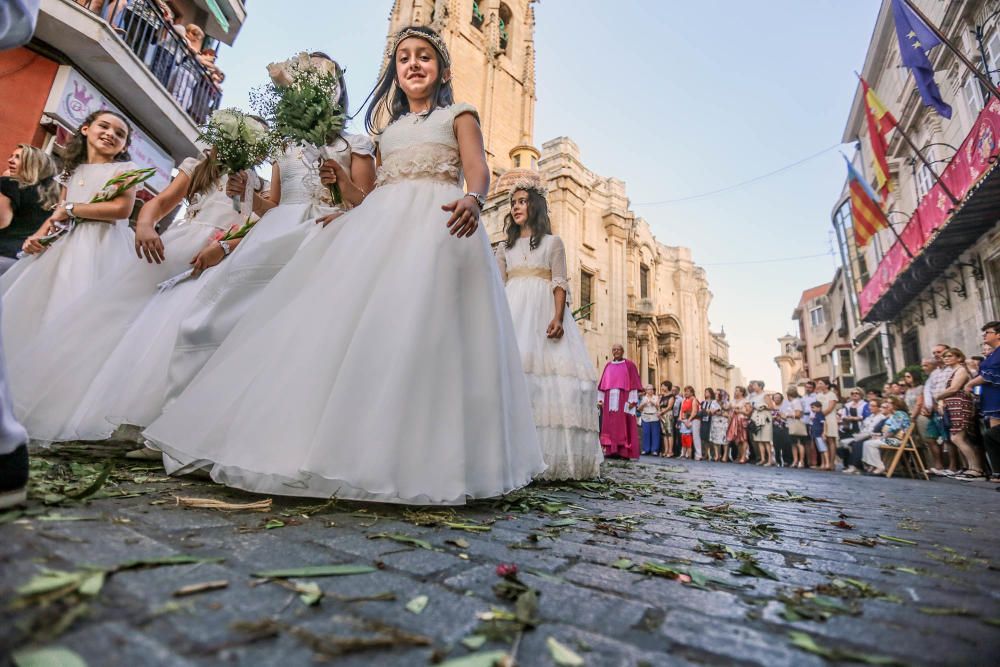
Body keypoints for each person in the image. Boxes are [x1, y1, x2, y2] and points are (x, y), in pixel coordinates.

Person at [144, 26, 545, 503]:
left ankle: (427, 455)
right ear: (394, 73)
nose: (413, 64)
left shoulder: (459, 115)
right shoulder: (386, 133)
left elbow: (477, 168)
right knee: (369, 328)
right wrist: (339, 192)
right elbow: (367, 195)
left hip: (439, 225)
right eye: (403, 58)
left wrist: (474, 200)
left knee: (429, 329)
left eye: (424, 57)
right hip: (383, 226)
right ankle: (339, 444)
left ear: (442, 70)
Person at [162, 52, 375, 409]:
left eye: (324, 81)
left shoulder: (355, 145)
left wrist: (341, 185)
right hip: (276, 234)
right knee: (212, 319)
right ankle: (188, 413)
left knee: (294, 333)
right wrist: (247, 192)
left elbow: (368, 203)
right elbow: (271, 206)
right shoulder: (284, 148)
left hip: (324, 237)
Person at [6, 145, 250, 443]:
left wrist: (228, 240)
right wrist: (145, 226)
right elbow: (159, 202)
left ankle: (154, 420)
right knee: (122, 315)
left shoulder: (259, 185)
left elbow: (256, 221)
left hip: (223, 252)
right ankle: (80, 399)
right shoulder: (198, 169)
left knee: (180, 333)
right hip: (179, 244)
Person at [1, 111, 136, 358]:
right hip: (64, 244)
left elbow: (121, 209)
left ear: (124, 145)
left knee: (76, 304)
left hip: (101, 244)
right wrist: (38, 237)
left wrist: (73, 209)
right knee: (41, 303)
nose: (110, 134)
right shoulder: (69, 172)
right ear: (86, 129)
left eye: (119, 134)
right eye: (103, 126)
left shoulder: (126, 170)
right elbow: (56, 213)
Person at [496, 179, 602, 479]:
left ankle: (545, 458)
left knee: (549, 382)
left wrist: (558, 316)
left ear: (535, 206)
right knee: (514, 375)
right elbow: (498, 285)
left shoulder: (553, 243)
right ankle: (509, 457)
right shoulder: (504, 248)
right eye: (513, 202)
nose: (516, 207)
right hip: (513, 311)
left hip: (544, 312)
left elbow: (559, 282)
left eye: (522, 201)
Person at [0, 144, 60, 273]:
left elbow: (2, 221)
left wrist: (3, 180)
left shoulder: (9, 184)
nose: (10, 160)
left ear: (33, 164)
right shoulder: (53, 197)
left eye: (18, 158)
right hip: (25, 262)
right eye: (11, 156)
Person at [935, 347, 984, 480]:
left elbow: (954, 388)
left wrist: (937, 396)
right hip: (954, 407)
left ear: (959, 358)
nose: (946, 358)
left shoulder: (961, 370)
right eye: (944, 356)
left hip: (961, 406)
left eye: (950, 356)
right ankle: (971, 468)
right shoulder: (955, 371)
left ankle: (977, 469)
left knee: (957, 438)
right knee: (961, 438)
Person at [966, 322, 1000, 483]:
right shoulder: (993, 354)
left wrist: (970, 383)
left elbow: (989, 375)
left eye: (987, 332)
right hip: (991, 401)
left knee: (994, 435)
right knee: (993, 436)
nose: (984, 335)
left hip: (998, 399)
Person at [596, 344, 642, 459]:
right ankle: (610, 450)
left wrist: (633, 400)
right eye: (614, 350)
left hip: (623, 398)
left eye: (618, 349)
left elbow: (633, 383)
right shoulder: (608, 365)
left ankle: (623, 452)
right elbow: (603, 384)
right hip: (609, 399)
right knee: (609, 425)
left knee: (623, 425)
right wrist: (600, 398)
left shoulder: (629, 365)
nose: (615, 351)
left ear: (622, 351)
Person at [861, 398, 912, 475]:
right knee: (868, 442)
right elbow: (887, 431)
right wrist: (879, 436)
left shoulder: (900, 414)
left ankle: (879, 467)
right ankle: (873, 466)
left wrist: (881, 438)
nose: (887, 404)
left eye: (890, 403)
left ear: (896, 405)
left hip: (898, 441)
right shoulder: (894, 415)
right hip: (892, 439)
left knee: (870, 444)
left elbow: (893, 430)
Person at [923, 345, 951, 474]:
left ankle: (953, 467)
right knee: (930, 437)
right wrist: (928, 406)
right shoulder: (934, 372)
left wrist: (941, 402)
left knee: (948, 438)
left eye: (939, 352)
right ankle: (938, 467)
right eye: (934, 352)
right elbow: (929, 391)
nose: (936, 354)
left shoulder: (952, 369)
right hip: (934, 409)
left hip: (948, 407)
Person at [747, 380, 774, 466]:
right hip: (756, 417)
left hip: (765, 417)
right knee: (759, 440)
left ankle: (770, 459)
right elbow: (751, 407)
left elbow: (771, 406)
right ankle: (762, 459)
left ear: (760, 386)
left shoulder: (765, 395)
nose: (753, 387)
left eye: (754, 385)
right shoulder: (753, 397)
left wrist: (763, 407)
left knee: (766, 439)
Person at [815, 379, 839, 470]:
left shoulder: (831, 395)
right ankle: (824, 462)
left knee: (830, 440)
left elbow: (830, 408)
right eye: (818, 383)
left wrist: (820, 415)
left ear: (827, 385)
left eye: (821, 383)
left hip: (830, 419)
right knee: (822, 441)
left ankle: (832, 463)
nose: (819, 384)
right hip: (821, 419)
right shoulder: (819, 395)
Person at [726, 386, 750, 463]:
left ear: (741, 392)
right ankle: (739, 456)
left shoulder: (745, 401)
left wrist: (740, 411)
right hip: (733, 420)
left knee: (743, 438)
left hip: (742, 420)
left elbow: (749, 412)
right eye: (735, 390)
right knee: (737, 439)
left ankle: (744, 456)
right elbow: (727, 408)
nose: (735, 392)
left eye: (737, 391)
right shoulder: (732, 401)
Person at [786, 387, 808, 468]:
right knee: (793, 444)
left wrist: (787, 415)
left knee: (799, 443)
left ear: (789, 395)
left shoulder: (796, 402)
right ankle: (795, 460)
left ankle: (801, 461)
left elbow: (798, 414)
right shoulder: (793, 402)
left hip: (797, 424)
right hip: (791, 425)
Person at [638, 385, 662, 456]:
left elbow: (658, 406)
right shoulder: (643, 398)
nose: (650, 391)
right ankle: (646, 449)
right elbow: (639, 408)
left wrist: (653, 402)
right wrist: (643, 404)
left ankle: (654, 450)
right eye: (648, 389)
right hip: (646, 416)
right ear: (646, 391)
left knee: (655, 434)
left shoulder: (656, 397)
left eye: (651, 389)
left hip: (654, 416)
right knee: (646, 433)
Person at [800, 380, 819, 467]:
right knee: (806, 441)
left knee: (814, 441)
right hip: (805, 420)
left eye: (810, 388)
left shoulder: (816, 397)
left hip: (814, 420)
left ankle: (817, 461)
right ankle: (808, 461)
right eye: (806, 387)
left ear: (813, 388)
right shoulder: (803, 398)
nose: (808, 389)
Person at [677, 386, 698, 459]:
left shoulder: (693, 399)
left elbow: (694, 412)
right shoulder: (683, 400)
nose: (685, 393)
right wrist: (680, 419)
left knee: (688, 438)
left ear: (692, 393)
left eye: (687, 391)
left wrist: (688, 420)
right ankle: (683, 454)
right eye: (685, 391)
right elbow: (681, 410)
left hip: (690, 420)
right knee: (683, 438)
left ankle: (689, 455)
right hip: (683, 420)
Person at [709, 388, 730, 462]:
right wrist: (718, 411)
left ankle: (725, 456)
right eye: (715, 393)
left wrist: (718, 411)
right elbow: (711, 412)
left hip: (723, 422)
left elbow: (727, 413)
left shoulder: (726, 402)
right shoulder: (713, 402)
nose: (716, 395)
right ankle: (717, 455)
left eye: (718, 394)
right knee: (715, 439)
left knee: (724, 440)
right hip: (715, 422)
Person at [699, 388, 719, 462]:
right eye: (705, 392)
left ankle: (713, 454)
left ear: (710, 393)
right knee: (703, 437)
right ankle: (705, 454)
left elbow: (713, 411)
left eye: (707, 392)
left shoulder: (714, 402)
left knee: (710, 437)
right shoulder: (703, 402)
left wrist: (707, 411)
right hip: (703, 420)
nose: (705, 393)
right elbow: (700, 410)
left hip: (711, 420)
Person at [772, 391, 792, 467]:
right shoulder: (772, 407)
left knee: (786, 444)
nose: (777, 399)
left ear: (781, 399)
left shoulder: (786, 406)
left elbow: (787, 416)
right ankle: (778, 461)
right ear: (773, 399)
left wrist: (781, 416)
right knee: (776, 445)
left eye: (778, 397)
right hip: (775, 427)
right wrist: (773, 418)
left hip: (784, 426)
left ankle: (787, 460)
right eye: (775, 397)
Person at [810, 401, 829, 469]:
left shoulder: (820, 414)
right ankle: (823, 463)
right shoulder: (816, 415)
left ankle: (827, 463)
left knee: (824, 449)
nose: (812, 409)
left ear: (819, 407)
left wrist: (824, 432)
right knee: (820, 449)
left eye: (813, 408)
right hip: (816, 434)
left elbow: (824, 423)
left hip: (819, 434)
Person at [658, 381, 674, 458]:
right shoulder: (662, 396)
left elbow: (669, 406)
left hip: (668, 414)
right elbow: (658, 404)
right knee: (664, 433)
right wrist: (659, 412)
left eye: (663, 386)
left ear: (667, 386)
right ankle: (666, 450)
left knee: (669, 433)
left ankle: (670, 451)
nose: (662, 387)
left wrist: (662, 412)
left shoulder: (671, 396)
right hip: (662, 415)